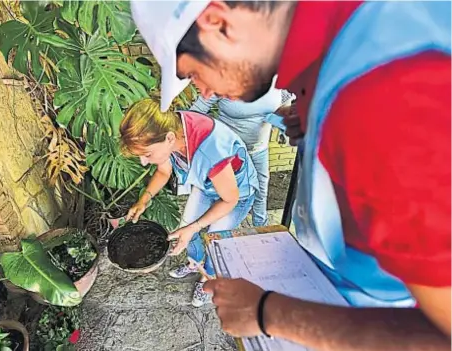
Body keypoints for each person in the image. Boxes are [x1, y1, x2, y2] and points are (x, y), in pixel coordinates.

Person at [130, 1, 451, 350]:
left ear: (218, 22)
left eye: (192, 74)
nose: (204, 93)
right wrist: (315, 108)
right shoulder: (351, 35)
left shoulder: (377, 105)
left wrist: (268, 312)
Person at [120, 98, 259, 307]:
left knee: (214, 240)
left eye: (147, 154)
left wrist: (195, 227)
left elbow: (230, 199)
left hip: (236, 194)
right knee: (186, 227)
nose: (144, 162)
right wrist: (144, 200)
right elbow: (164, 170)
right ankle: (195, 263)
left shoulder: (210, 151)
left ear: (168, 138)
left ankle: (208, 279)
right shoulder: (171, 128)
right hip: (207, 185)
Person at [189, 79, 294, 227]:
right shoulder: (223, 77)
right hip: (226, 154)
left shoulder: (279, 77)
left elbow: (284, 105)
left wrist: (286, 126)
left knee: (260, 194)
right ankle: (205, 229)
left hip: (258, 150)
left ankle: (261, 230)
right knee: (219, 193)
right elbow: (196, 111)